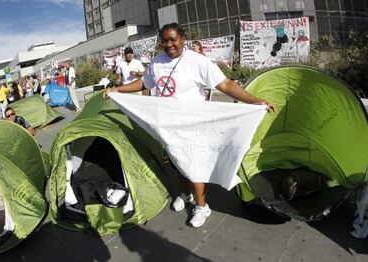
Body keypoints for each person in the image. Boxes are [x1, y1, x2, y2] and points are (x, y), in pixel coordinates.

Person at [104, 23, 274, 228]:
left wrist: (254, 101)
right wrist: (119, 89)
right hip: (167, 127)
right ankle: (187, 196)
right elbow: (144, 84)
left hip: (193, 125)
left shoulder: (198, 61)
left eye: (173, 39)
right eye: (165, 40)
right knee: (178, 164)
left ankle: (202, 206)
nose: (169, 44)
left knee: (194, 166)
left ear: (183, 38)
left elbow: (225, 84)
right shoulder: (156, 63)